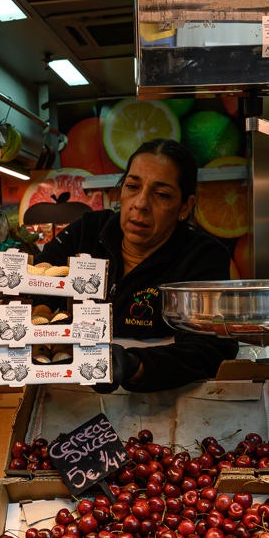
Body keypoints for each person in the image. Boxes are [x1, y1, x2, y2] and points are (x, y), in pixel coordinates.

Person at [39, 138, 238, 392]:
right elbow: (38, 286)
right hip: (73, 398)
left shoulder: (203, 257)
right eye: (133, 187)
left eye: (162, 194)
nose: (141, 203)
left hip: (165, 404)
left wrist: (134, 365)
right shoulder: (87, 232)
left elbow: (210, 349)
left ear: (184, 207)